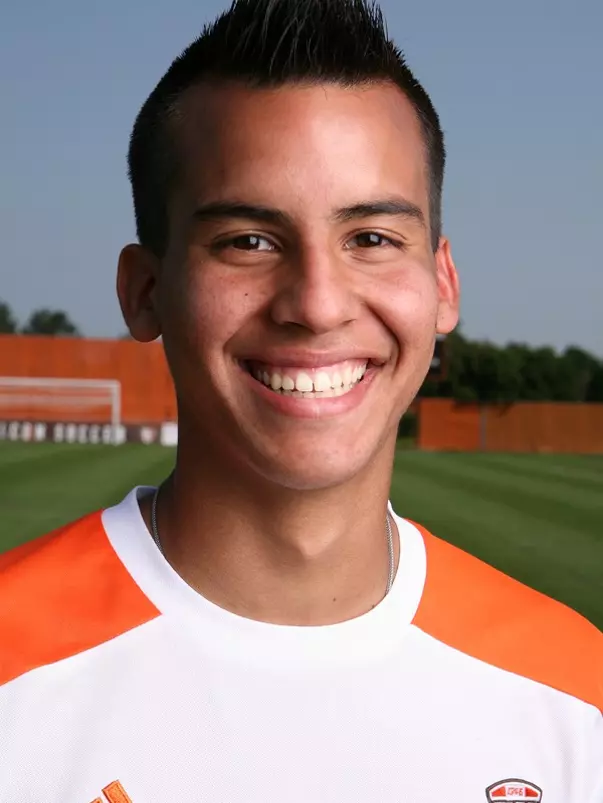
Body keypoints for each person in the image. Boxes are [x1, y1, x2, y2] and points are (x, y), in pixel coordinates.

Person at [1, 0, 602, 800]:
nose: (317, 304)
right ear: (144, 291)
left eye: (371, 238)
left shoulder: (574, 693)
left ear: (443, 284)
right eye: (248, 240)